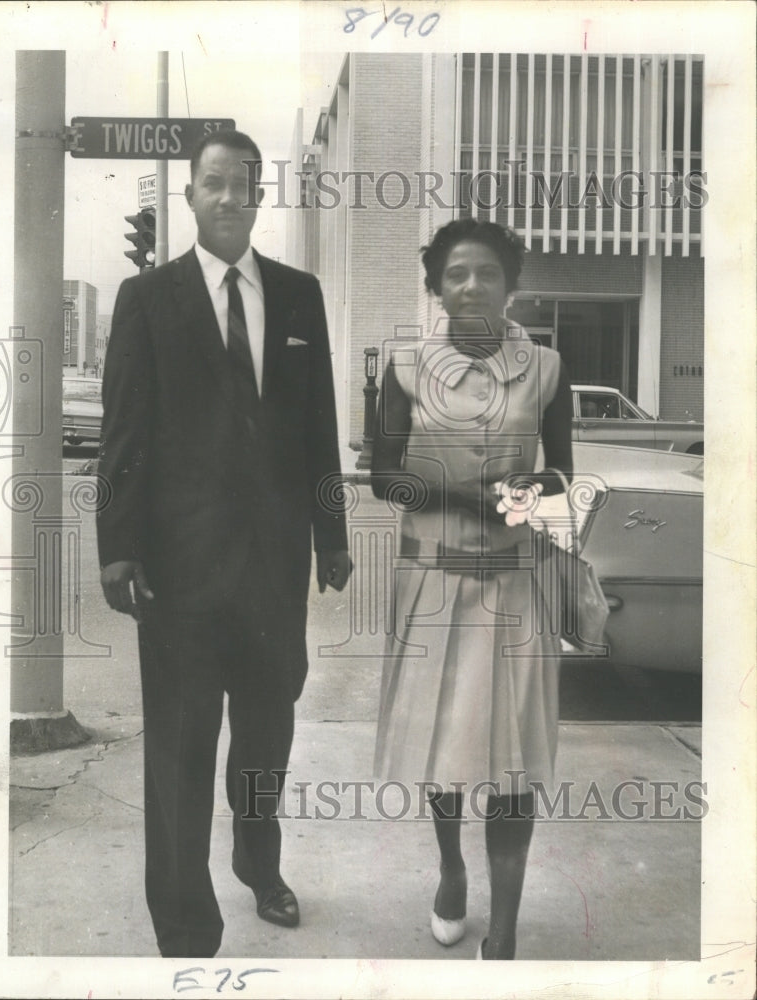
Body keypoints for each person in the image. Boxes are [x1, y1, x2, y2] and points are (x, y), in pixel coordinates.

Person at [97, 129, 351, 958]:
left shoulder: (299, 293)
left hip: (273, 572)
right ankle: (185, 927)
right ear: (191, 197)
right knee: (178, 745)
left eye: (244, 184)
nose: (229, 197)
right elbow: (124, 432)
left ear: (259, 195)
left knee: (267, 737)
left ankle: (256, 857)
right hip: (178, 572)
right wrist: (118, 547)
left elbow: (320, 429)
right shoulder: (149, 298)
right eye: (213, 184)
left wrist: (332, 535)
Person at [370, 219, 573, 960]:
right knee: (444, 750)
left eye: (487, 272)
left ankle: (507, 931)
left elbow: (563, 479)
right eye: (456, 273)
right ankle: (453, 870)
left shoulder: (548, 369)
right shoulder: (402, 368)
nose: (472, 286)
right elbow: (384, 475)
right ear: (436, 287)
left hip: (517, 587)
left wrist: (527, 489)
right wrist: (465, 496)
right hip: (431, 583)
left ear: (510, 283)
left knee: (513, 758)